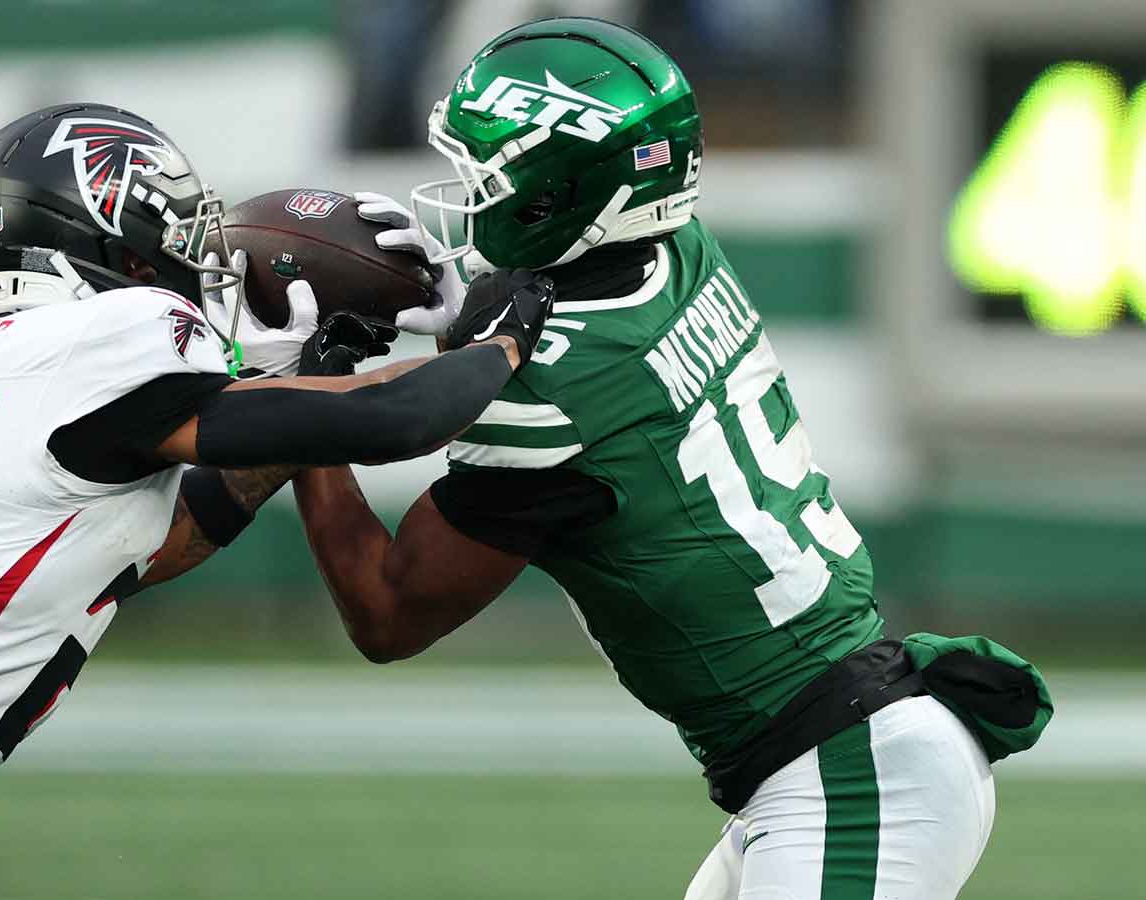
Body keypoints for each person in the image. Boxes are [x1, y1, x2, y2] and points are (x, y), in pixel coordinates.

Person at [0, 102, 555, 900]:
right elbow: (393, 417)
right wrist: (505, 336)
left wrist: (310, 373)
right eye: (163, 222)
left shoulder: (18, 366)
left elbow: (159, 546)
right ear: (97, 227)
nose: (188, 252)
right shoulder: (110, 335)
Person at [298, 19, 1045, 900]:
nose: (465, 197)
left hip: (846, 772)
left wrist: (308, 406)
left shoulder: (548, 394)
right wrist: (466, 313)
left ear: (562, 194)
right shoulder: (678, 252)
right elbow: (590, 344)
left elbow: (387, 613)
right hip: (839, 747)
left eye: (487, 178)